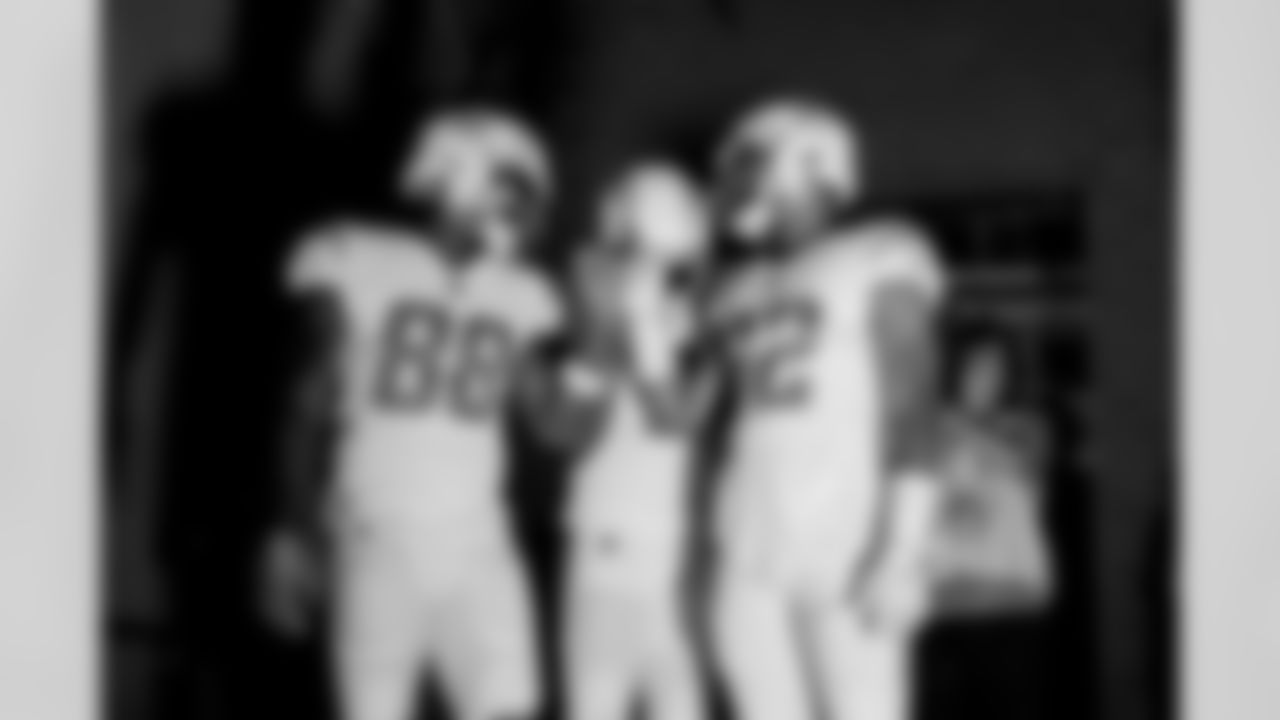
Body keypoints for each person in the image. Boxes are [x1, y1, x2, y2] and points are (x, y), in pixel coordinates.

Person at [260, 108, 565, 720]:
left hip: (479, 538)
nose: (526, 214)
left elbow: (554, 425)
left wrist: (606, 352)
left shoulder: (520, 292)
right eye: (514, 191)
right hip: (379, 529)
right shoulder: (355, 257)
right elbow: (307, 400)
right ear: (461, 176)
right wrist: (290, 530)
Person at [704, 97, 949, 720]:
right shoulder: (739, 284)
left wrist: (904, 546)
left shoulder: (878, 252)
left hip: (844, 541)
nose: (737, 181)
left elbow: (913, 402)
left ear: (810, 164)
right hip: (748, 536)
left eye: (751, 162)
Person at [557, 162, 718, 720]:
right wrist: (608, 331)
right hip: (608, 541)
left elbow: (673, 419)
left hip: (674, 552)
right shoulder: (591, 316)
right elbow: (567, 429)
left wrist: (643, 319)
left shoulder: (694, 334)